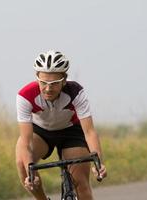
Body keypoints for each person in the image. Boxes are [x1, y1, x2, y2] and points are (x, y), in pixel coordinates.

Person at [15, 50, 107, 200]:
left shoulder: (75, 91)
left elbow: (89, 132)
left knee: (81, 183)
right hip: (41, 132)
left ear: (64, 80)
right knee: (22, 162)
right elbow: (26, 141)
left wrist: (98, 163)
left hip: (71, 132)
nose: (48, 88)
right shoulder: (25, 95)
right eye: (43, 82)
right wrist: (30, 172)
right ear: (37, 78)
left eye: (54, 83)